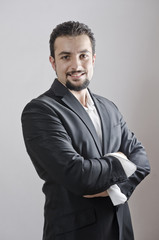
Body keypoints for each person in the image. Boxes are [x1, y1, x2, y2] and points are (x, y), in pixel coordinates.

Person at [21, 21, 150, 240]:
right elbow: (77, 175)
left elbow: (142, 161)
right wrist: (119, 160)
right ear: (53, 62)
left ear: (93, 59)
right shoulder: (40, 111)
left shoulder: (109, 107)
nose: (76, 65)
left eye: (83, 55)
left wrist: (112, 190)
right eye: (65, 57)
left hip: (121, 229)